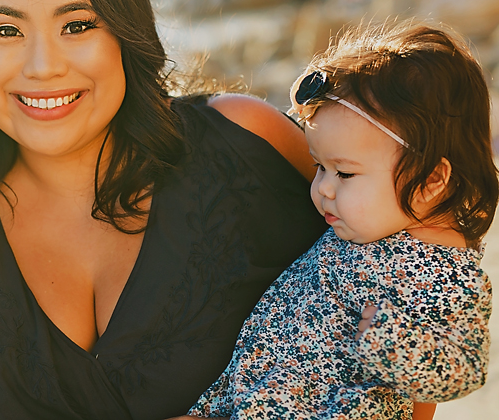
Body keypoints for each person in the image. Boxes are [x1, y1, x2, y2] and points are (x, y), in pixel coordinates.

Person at [0, 0, 437, 420]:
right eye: (4, 29)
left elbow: (421, 285)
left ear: (123, 33)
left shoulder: (245, 143)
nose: (42, 65)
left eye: (77, 25)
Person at [189, 24, 495, 419]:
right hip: (250, 394)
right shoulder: (371, 225)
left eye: (345, 174)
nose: (323, 189)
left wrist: (391, 342)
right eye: (320, 166)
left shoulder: (447, 275)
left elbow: (465, 370)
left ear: (431, 181)